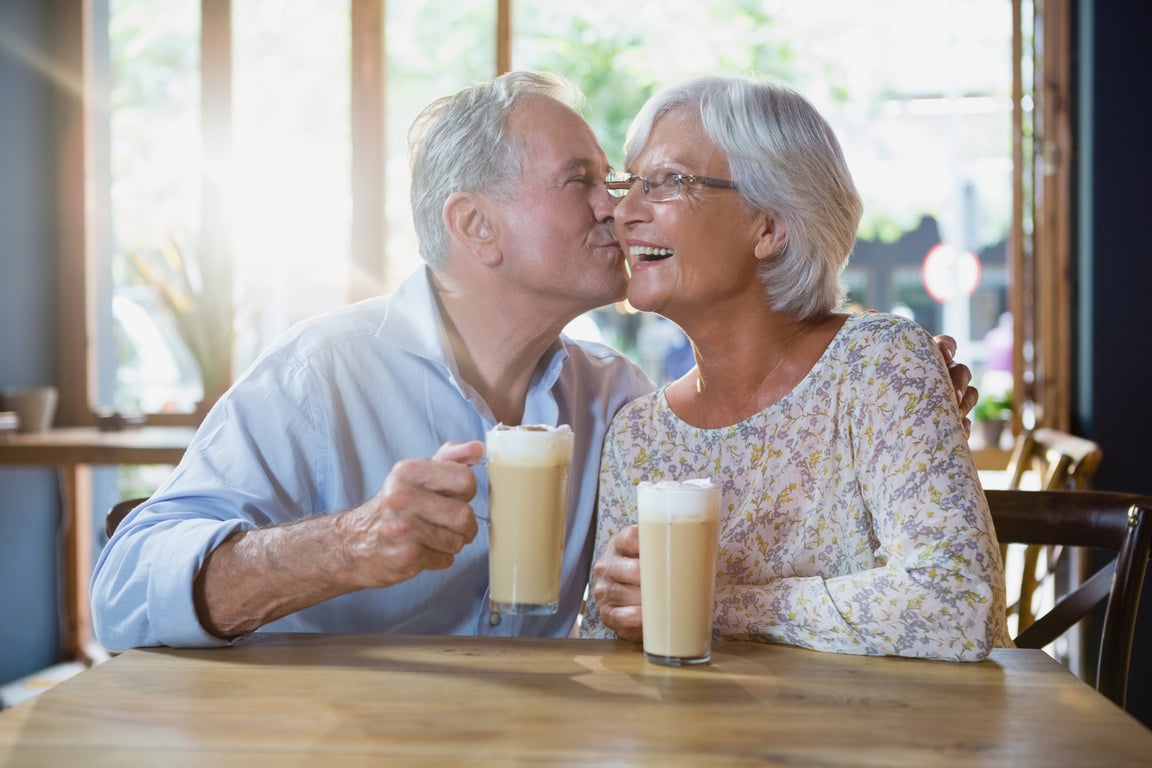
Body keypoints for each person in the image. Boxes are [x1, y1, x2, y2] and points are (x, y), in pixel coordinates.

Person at [91, 71, 978, 651]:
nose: (618, 210)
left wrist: (883, 390)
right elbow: (122, 596)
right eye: (583, 182)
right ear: (477, 227)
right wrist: (341, 547)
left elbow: (623, 623)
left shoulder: (618, 403)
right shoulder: (318, 379)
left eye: (630, 183)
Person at [581, 76, 1009, 661]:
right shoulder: (640, 435)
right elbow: (614, 649)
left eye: (667, 183)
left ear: (769, 227)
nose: (621, 211)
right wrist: (612, 607)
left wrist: (711, 604)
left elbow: (960, 605)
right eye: (630, 183)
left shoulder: (880, 366)